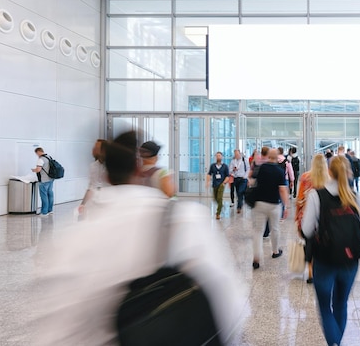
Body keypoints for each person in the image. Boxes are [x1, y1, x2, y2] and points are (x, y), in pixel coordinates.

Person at [34, 131, 247, 345]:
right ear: (138, 169)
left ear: (106, 175)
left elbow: (59, 333)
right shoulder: (187, 219)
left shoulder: (74, 242)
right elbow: (229, 303)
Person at [301, 156, 360, 346]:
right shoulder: (355, 197)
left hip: (324, 259)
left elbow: (307, 230)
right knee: (341, 303)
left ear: (329, 172)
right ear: (348, 172)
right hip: (350, 260)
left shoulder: (317, 195)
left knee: (324, 306)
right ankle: (336, 342)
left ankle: (334, 343)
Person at [251, 148, 290, 269]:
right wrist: (286, 206)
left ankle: (256, 258)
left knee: (258, 230)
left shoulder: (262, 168)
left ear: (268, 156)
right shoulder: (279, 171)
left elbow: (253, 181)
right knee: (275, 228)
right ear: (277, 157)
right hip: (274, 204)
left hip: (260, 203)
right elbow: (282, 189)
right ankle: (275, 251)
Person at [295, 153, 329, 284]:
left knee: (308, 243)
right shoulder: (329, 178)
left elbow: (300, 199)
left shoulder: (305, 177)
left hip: (307, 214)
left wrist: (297, 217)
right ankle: (321, 269)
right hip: (325, 216)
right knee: (323, 242)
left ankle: (310, 272)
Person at [78, 139, 110, 216]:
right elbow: (91, 186)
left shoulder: (112, 167)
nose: (93, 149)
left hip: (108, 204)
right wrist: (83, 204)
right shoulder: (93, 166)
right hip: (94, 205)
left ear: (104, 150)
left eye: (96, 148)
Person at [31, 147, 55, 216]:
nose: (37, 155)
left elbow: (38, 169)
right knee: (50, 194)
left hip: (43, 180)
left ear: (38, 152)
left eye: (36, 153)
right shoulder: (49, 157)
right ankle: (50, 210)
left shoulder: (41, 159)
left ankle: (44, 212)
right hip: (51, 179)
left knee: (44, 196)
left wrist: (33, 170)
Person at [207, 151, 229, 220]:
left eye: (219, 155)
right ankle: (221, 205)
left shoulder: (225, 166)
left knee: (220, 198)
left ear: (222, 157)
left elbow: (227, 176)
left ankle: (218, 213)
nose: (218, 157)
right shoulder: (212, 166)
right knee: (215, 198)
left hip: (221, 184)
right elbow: (209, 174)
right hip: (214, 184)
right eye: (217, 156)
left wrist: (224, 183)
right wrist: (207, 181)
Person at [229, 149, 249, 214]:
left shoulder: (244, 160)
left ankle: (239, 207)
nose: (236, 155)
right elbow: (230, 171)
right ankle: (240, 202)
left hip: (243, 178)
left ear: (240, 154)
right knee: (238, 193)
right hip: (236, 178)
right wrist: (233, 170)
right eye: (235, 154)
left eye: (237, 154)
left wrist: (245, 176)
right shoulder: (233, 161)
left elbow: (248, 169)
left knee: (240, 192)